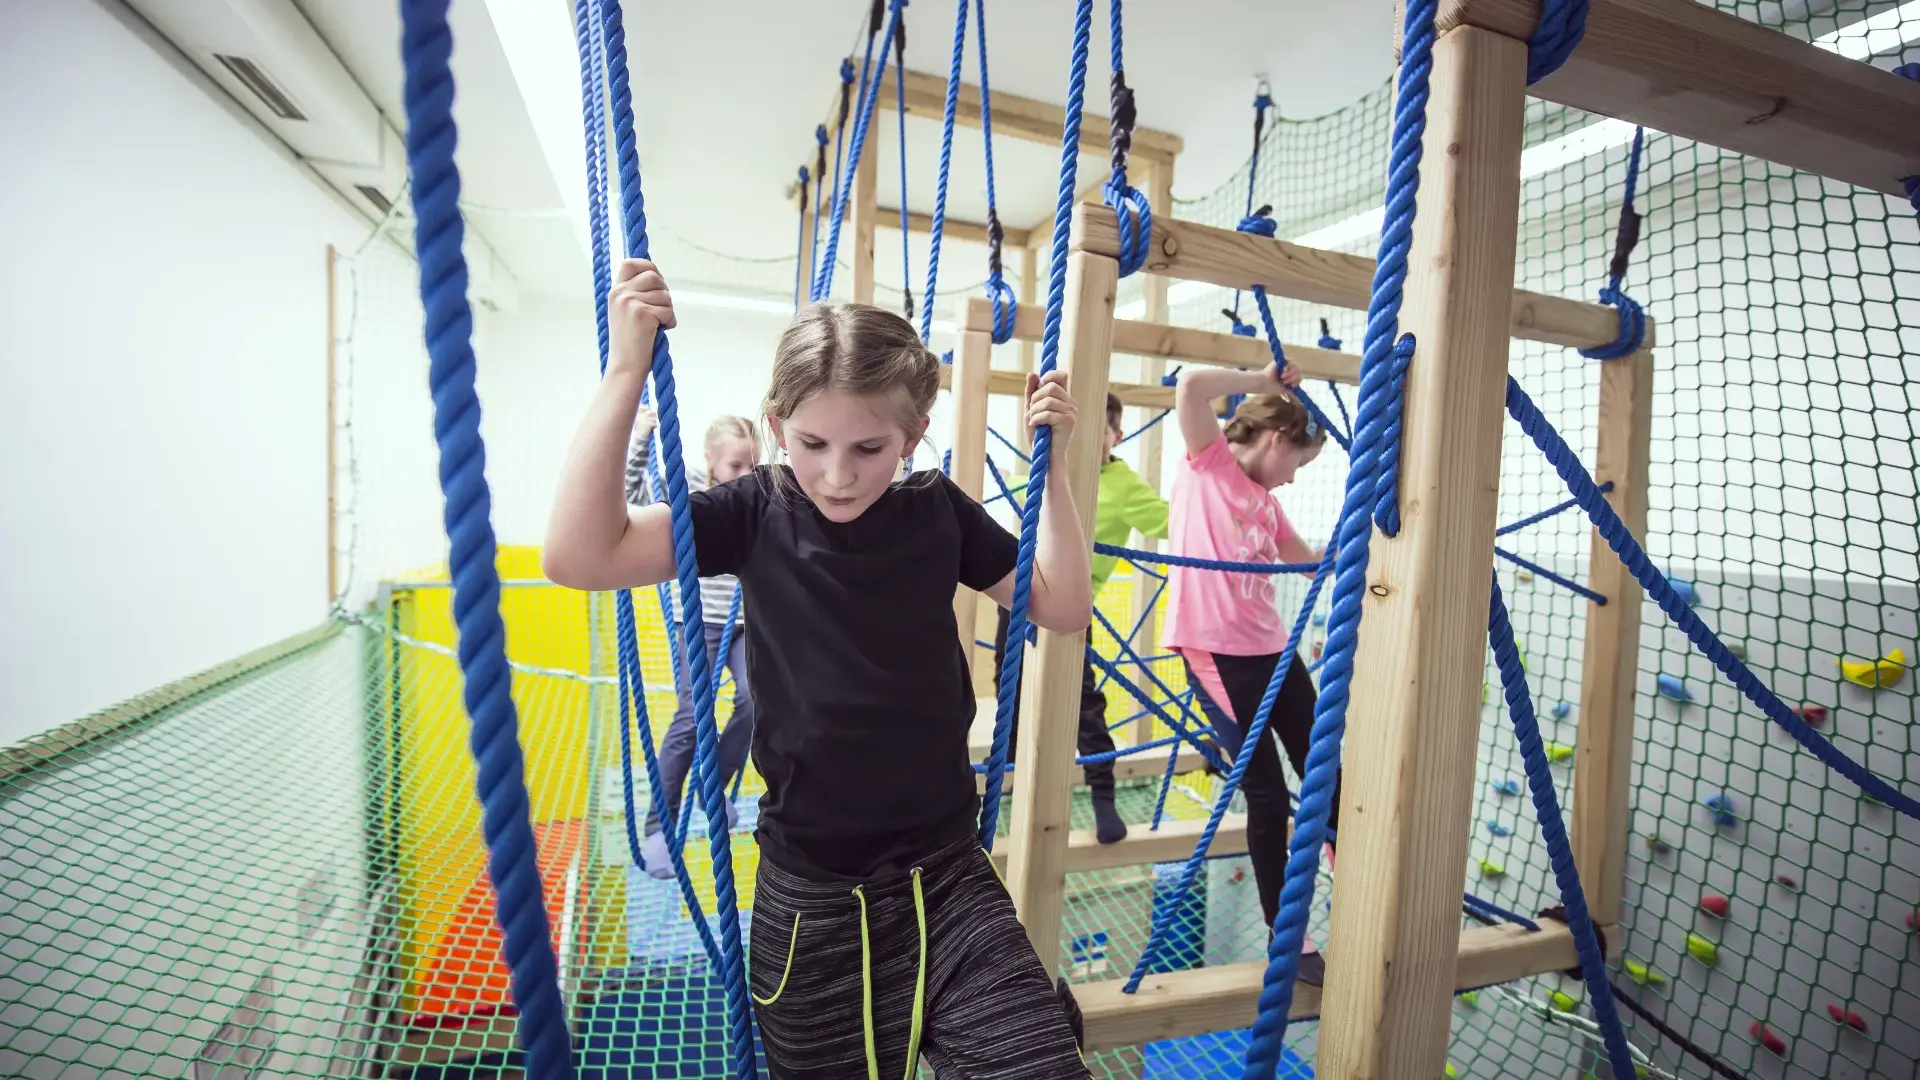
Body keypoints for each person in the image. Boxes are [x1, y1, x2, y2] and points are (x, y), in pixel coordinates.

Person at [545, 258, 1094, 1079]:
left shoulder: (935, 510)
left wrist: (1053, 471)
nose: (838, 474)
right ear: (776, 425)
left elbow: (1059, 605)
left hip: (949, 880)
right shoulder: (753, 511)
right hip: (813, 902)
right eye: (812, 444)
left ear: (911, 437)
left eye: (870, 448)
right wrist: (627, 369)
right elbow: (579, 555)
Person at [1162, 363, 1336, 985]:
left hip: (1272, 648)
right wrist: (1263, 377)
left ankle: (1344, 855)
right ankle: (1284, 930)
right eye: (1298, 463)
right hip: (1214, 652)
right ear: (1274, 440)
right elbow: (1188, 388)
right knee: (1266, 792)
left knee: (1323, 757)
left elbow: (1307, 560)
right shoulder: (1209, 466)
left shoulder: (1266, 504)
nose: (1292, 478)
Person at [989, 392, 1170, 845]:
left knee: (1084, 705)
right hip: (1017, 597)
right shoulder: (1046, 469)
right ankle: (1004, 780)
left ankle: (1103, 796)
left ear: (1117, 436)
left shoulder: (1122, 484)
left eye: (1100, 432)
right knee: (1007, 686)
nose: (1087, 443)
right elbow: (1012, 496)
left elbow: (1172, 523)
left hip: (1067, 609)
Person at [626, 409, 762, 879]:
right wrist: (642, 437)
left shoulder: (756, 497)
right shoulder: (691, 492)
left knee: (756, 699)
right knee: (691, 715)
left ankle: (713, 787)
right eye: (734, 466)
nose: (744, 476)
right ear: (710, 462)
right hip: (699, 623)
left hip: (744, 624)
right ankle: (656, 826)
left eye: (751, 465)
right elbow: (634, 498)